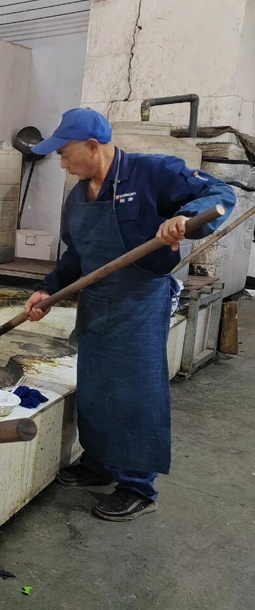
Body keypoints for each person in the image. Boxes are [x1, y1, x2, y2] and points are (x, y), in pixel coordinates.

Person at [24, 108, 235, 522]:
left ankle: (138, 485)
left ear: (92, 145)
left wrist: (185, 219)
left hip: (139, 301)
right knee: (95, 388)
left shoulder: (151, 172)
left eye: (64, 154)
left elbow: (220, 194)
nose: (62, 164)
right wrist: (47, 289)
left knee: (134, 393)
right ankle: (99, 463)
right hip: (97, 301)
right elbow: (77, 254)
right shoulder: (77, 198)